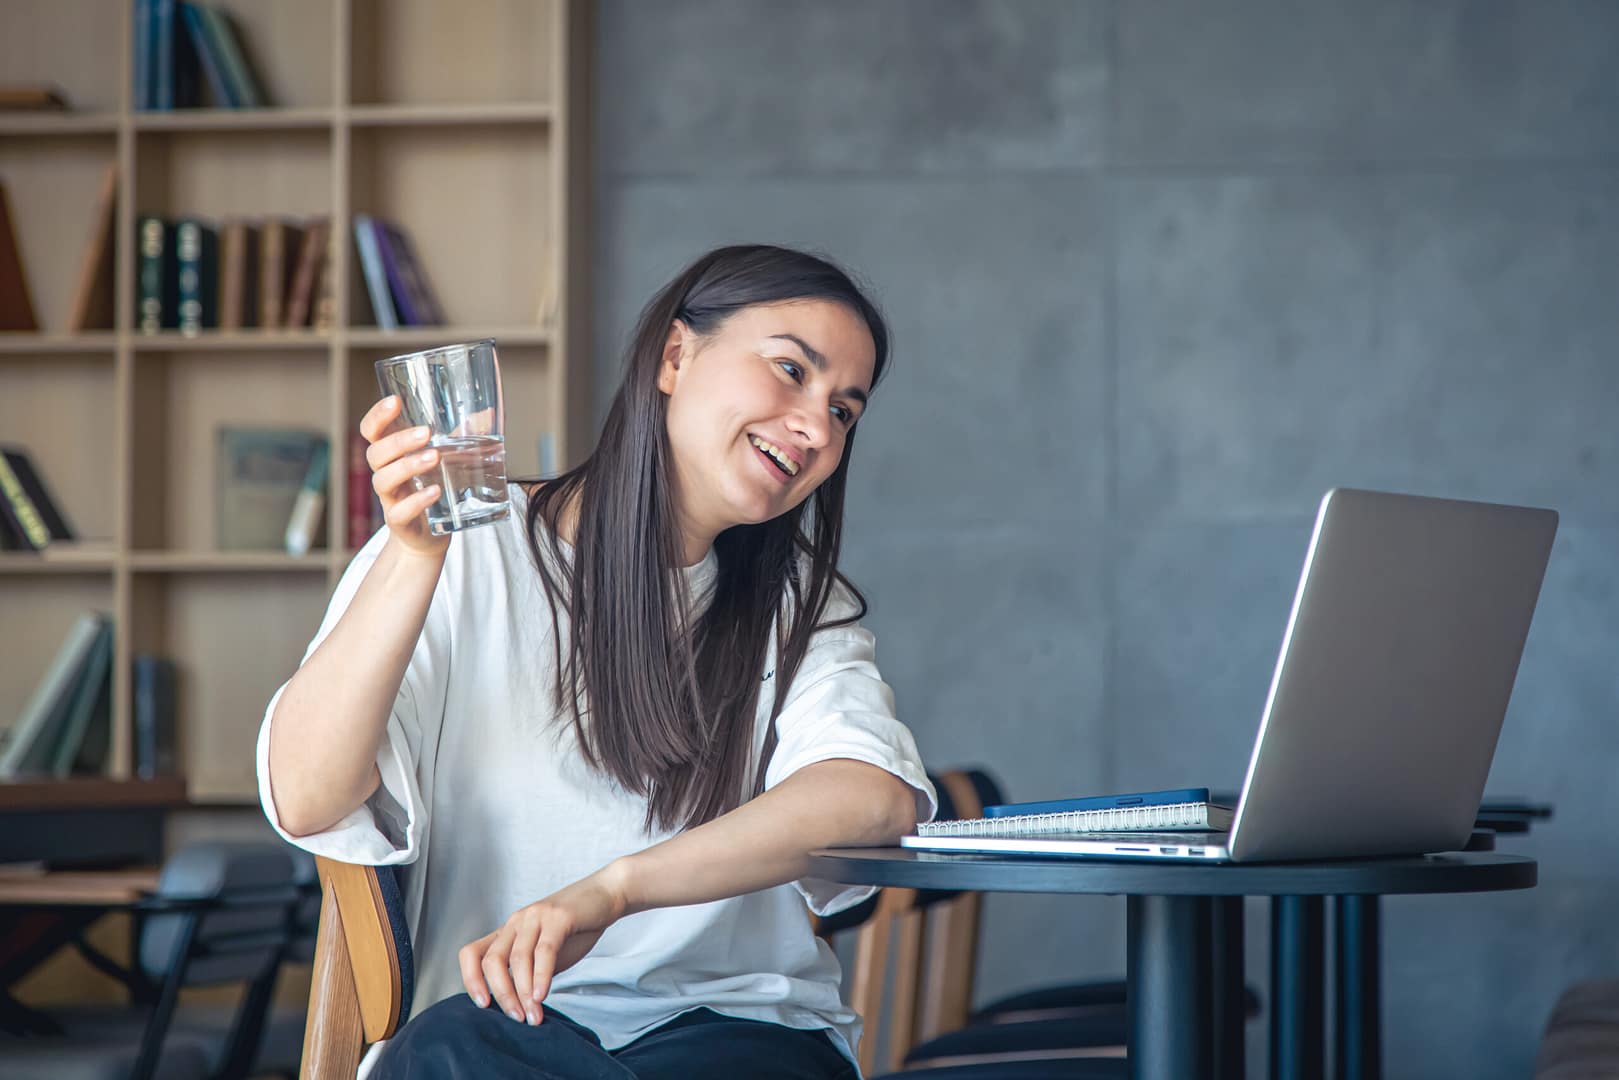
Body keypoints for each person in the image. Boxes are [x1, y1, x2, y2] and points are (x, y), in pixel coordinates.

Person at [256, 244, 936, 1079]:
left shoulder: (795, 601)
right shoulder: (467, 552)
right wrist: (412, 558)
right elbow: (307, 794)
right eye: (791, 370)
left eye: (844, 411)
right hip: (502, 1033)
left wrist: (615, 892)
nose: (814, 426)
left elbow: (871, 799)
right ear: (675, 355)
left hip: (735, 1031)